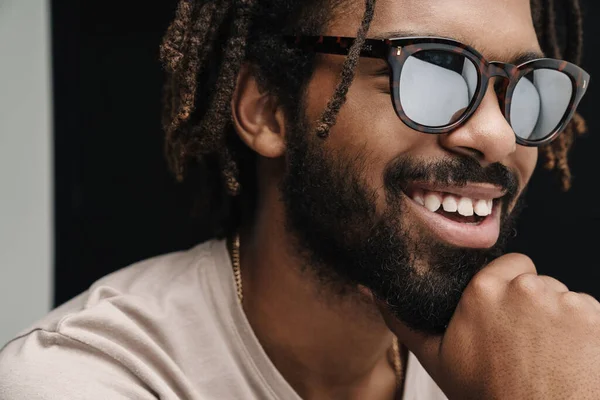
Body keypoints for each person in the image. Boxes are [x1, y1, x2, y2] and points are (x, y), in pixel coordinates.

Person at [0, 0, 597, 398]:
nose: (498, 136)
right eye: (434, 70)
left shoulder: (539, 365)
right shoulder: (80, 380)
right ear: (268, 111)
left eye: (523, 85)